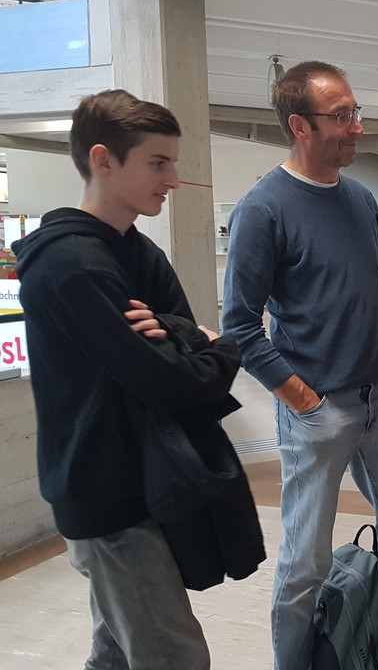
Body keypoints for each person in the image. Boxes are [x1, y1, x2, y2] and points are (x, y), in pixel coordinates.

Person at [11, 90, 244, 670]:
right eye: (157, 163)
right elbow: (175, 381)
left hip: (150, 480)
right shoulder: (72, 264)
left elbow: (183, 336)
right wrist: (222, 347)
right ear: (103, 160)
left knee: (117, 654)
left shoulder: (136, 251)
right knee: (174, 657)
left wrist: (183, 334)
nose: (173, 180)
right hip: (105, 491)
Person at [221, 61, 378, 670]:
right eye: (342, 116)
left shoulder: (361, 199)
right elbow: (239, 325)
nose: (356, 126)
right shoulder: (264, 208)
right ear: (300, 126)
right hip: (319, 410)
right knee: (305, 564)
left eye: (355, 112)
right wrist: (302, 400)